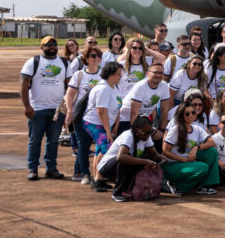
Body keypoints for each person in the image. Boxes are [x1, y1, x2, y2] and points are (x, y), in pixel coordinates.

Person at [21, 36, 70, 181]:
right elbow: (24, 84)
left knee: (53, 140)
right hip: (37, 109)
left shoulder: (63, 63)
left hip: (57, 109)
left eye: (54, 44)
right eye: (48, 45)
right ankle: (33, 169)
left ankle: (51, 168)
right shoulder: (34, 62)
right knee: (35, 140)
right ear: (41, 47)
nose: (52, 47)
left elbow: (69, 85)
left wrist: (67, 105)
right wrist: (26, 106)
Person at [162, 93, 220, 196]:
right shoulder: (176, 129)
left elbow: (212, 142)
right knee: (203, 167)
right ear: (181, 115)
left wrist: (197, 148)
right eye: (187, 113)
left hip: (187, 163)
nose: (191, 115)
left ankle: (205, 186)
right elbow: (165, 151)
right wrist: (184, 160)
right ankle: (175, 186)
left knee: (212, 152)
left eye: (193, 112)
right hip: (173, 165)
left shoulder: (197, 129)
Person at [96, 115, 162, 201]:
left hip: (122, 165)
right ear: (137, 130)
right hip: (107, 167)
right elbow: (120, 157)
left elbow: (154, 154)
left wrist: (162, 159)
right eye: (145, 133)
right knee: (126, 158)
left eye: (150, 132)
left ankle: (130, 187)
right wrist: (145, 162)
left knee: (149, 158)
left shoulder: (146, 136)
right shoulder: (128, 136)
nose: (148, 135)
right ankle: (117, 193)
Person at [64, 46, 104, 182]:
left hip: (98, 117)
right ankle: (86, 174)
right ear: (86, 59)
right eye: (93, 56)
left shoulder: (103, 75)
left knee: (101, 144)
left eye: (99, 56)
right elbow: (69, 95)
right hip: (81, 116)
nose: (96, 58)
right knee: (83, 146)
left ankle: (97, 173)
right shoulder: (79, 75)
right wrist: (69, 112)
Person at [81, 62, 123, 191]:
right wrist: (107, 132)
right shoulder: (103, 88)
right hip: (95, 123)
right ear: (110, 75)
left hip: (105, 124)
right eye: (118, 74)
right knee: (106, 148)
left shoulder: (115, 86)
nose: (120, 76)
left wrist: (115, 125)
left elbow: (117, 106)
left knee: (100, 149)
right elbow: (101, 111)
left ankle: (98, 178)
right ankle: (98, 179)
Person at [123, 63, 172, 142]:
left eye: (161, 73)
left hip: (142, 120)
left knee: (159, 138)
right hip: (126, 120)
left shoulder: (164, 85)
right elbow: (134, 113)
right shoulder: (140, 86)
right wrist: (135, 134)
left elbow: (164, 110)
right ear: (148, 74)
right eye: (155, 72)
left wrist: (162, 131)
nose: (158, 75)